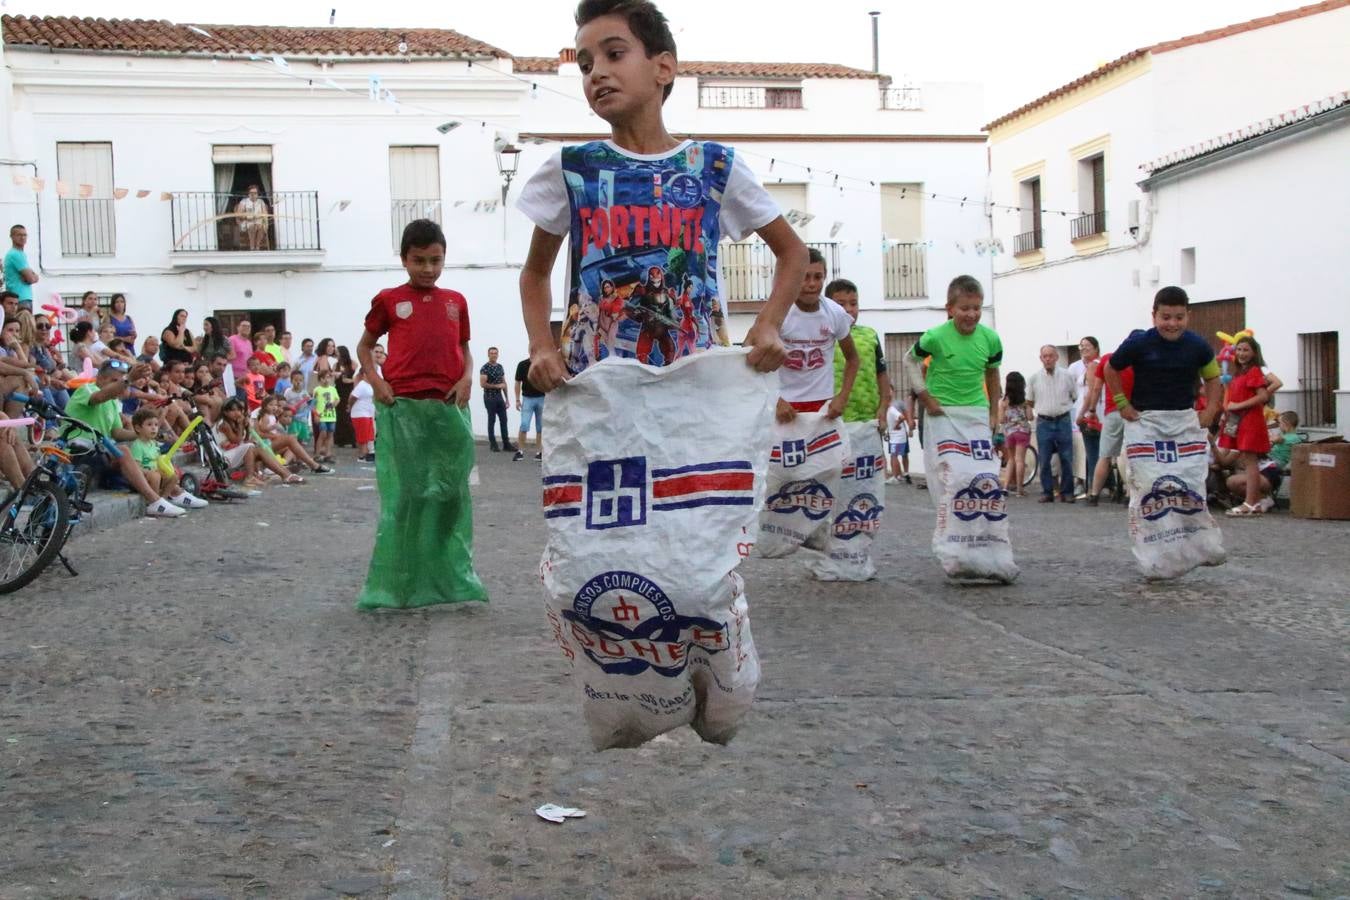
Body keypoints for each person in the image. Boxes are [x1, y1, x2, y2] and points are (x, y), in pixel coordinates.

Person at [517, 0, 800, 391]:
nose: (597, 72)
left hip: (697, 392)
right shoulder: (572, 168)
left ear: (663, 68)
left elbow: (793, 252)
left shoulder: (713, 165)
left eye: (614, 54)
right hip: (596, 392)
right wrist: (541, 347)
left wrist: (768, 323)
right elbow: (535, 272)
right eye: (585, 65)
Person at [354, 217, 486, 610]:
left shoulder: (455, 302)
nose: (428, 269)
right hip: (403, 411)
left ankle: (450, 578)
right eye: (419, 260)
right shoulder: (389, 300)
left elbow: (464, 349)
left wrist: (466, 379)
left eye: (435, 260)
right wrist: (377, 383)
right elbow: (364, 347)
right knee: (407, 497)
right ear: (404, 260)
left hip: (448, 408)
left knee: (451, 495)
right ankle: (398, 583)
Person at [903, 275, 1012, 579]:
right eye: (965, 308)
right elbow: (909, 361)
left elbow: (992, 376)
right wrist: (925, 396)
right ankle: (953, 547)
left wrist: (994, 414)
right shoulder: (935, 337)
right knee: (952, 481)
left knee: (984, 478)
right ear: (950, 309)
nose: (971, 315)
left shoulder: (990, 339)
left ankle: (987, 547)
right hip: (943, 416)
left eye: (977, 308)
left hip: (976, 414)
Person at [62, 360, 190, 517]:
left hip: (98, 452)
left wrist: (143, 434)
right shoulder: (87, 389)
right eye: (115, 381)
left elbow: (116, 432)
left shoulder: (113, 402)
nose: (120, 386)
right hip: (78, 451)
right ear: (101, 379)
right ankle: (155, 500)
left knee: (146, 456)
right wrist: (128, 379)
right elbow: (99, 397)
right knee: (122, 450)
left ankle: (175, 493)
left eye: (121, 381)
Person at [776, 249, 857, 422]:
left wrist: (842, 396)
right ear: (794, 276)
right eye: (805, 277)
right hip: (786, 405)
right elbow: (755, 361)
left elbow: (853, 359)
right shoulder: (779, 312)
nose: (812, 284)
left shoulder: (835, 313)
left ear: (825, 277)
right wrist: (775, 400)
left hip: (823, 405)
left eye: (818, 277)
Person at [1218, 335, 1277, 517]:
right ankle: (1253, 502)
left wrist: (1238, 406)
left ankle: (1251, 502)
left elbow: (1262, 396)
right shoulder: (1240, 372)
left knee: (1250, 463)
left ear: (1254, 353)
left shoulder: (1254, 371)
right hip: (1240, 420)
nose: (1242, 353)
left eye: (1246, 350)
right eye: (1239, 350)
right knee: (1248, 461)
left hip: (1250, 420)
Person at [827, 278, 890, 430]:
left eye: (853, 303)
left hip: (868, 419)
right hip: (832, 418)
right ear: (828, 306)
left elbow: (881, 374)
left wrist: (883, 407)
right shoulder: (823, 335)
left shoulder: (870, 335)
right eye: (841, 304)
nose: (848, 309)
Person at [1082, 346, 1134, 506]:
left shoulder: (1106, 359)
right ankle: (1128, 493)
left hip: (1112, 412)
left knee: (1104, 455)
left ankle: (1094, 495)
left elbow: (1096, 388)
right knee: (1130, 455)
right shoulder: (1138, 361)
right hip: (1133, 411)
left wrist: (1092, 410)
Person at [128, 407, 208, 511]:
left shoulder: (154, 444)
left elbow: (159, 461)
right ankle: (153, 502)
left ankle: (164, 500)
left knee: (173, 476)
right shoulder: (137, 445)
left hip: (156, 475)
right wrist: (150, 471)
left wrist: (167, 469)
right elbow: (136, 468)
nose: (154, 428)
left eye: (156, 425)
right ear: (138, 428)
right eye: (149, 425)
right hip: (146, 478)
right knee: (155, 476)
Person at [1027, 344, 1078, 502]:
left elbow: (1074, 396)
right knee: (1044, 458)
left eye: (1051, 355)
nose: (1048, 359)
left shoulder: (1067, 375)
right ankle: (1047, 491)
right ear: (1041, 358)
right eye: (1045, 356)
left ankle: (1067, 492)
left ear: (1056, 357)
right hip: (1043, 421)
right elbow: (1030, 400)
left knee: (1066, 457)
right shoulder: (1034, 378)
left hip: (1063, 419)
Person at [1069, 336, 1101, 499]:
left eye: (1087, 346)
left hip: (1090, 412)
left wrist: (1083, 413)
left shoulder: (1094, 366)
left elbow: (1091, 392)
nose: (1083, 349)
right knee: (1089, 451)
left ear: (1096, 348)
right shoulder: (1079, 366)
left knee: (1092, 452)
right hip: (1087, 409)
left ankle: (1092, 488)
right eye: (1081, 346)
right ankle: (1092, 485)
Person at [998, 371, 1033, 495]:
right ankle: (1019, 489)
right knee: (1020, 460)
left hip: (1009, 433)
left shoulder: (1003, 402)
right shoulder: (1025, 401)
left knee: (1011, 460)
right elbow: (1030, 417)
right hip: (1022, 432)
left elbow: (1001, 420)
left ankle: (1005, 487)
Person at [479, 346, 514, 451]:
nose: (494, 355)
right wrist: (497, 386)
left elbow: (504, 383)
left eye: (495, 353)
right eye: (492, 353)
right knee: (492, 419)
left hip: (499, 397)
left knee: (504, 419)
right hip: (489, 397)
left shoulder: (500, 367)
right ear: (488, 355)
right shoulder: (485, 368)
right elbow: (483, 384)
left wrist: (507, 398)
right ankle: (493, 444)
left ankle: (506, 444)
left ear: (498, 355)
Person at [513, 355, 545, 461]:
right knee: (524, 425)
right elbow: (517, 382)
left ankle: (539, 452)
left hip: (542, 398)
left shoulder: (542, 364)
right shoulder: (522, 365)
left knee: (540, 427)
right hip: (527, 399)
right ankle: (520, 451)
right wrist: (517, 400)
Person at [5, 225, 39, 308]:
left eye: (24, 235)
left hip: (22, 298)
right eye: (19, 235)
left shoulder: (21, 254)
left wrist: (34, 276)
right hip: (20, 299)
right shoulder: (15, 254)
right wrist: (32, 276)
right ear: (12, 236)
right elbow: (30, 278)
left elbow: (33, 277)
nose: (23, 237)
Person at [312, 368, 339, 463]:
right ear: (320, 379)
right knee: (322, 433)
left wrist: (333, 404)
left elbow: (337, 399)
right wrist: (315, 415)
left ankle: (328, 454)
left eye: (328, 377)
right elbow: (313, 403)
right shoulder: (317, 390)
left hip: (331, 416)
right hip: (321, 415)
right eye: (324, 378)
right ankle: (317, 454)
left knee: (330, 434)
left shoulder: (333, 389)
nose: (326, 380)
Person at [349, 367, 376, 462]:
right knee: (362, 436)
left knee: (369, 435)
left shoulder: (370, 385)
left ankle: (367, 453)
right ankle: (362, 455)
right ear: (364, 374)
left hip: (368, 413)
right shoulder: (361, 385)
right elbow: (352, 397)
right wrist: (350, 406)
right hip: (360, 413)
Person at [885, 396, 913, 484]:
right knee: (894, 456)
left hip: (898, 437)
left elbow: (902, 417)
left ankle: (896, 477)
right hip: (894, 437)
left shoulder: (892, 409)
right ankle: (898, 476)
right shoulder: (888, 410)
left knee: (894, 456)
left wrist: (897, 425)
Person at [334, 345, 357, 449]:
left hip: (349, 390)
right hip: (339, 391)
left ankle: (353, 439)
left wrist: (350, 380)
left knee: (348, 415)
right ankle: (341, 439)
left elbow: (357, 378)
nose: (336, 354)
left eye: (337, 352)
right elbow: (333, 376)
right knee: (340, 415)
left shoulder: (353, 363)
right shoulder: (336, 365)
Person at [236, 185, 270, 251]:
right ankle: (252, 246)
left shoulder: (261, 202)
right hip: (247, 222)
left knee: (261, 226)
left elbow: (265, 213)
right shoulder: (244, 201)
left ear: (257, 194)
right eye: (251, 193)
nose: (253, 195)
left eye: (255, 193)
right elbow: (239, 214)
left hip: (259, 221)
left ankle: (257, 246)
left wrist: (264, 221)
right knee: (253, 226)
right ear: (248, 194)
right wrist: (248, 217)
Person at [227, 319, 253, 393]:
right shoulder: (232, 339)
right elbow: (228, 356)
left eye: (248, 326)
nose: (246, 328)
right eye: (244, 326)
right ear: (238, 328)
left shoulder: (249, 343)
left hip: (246, 376)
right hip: (234, 376)